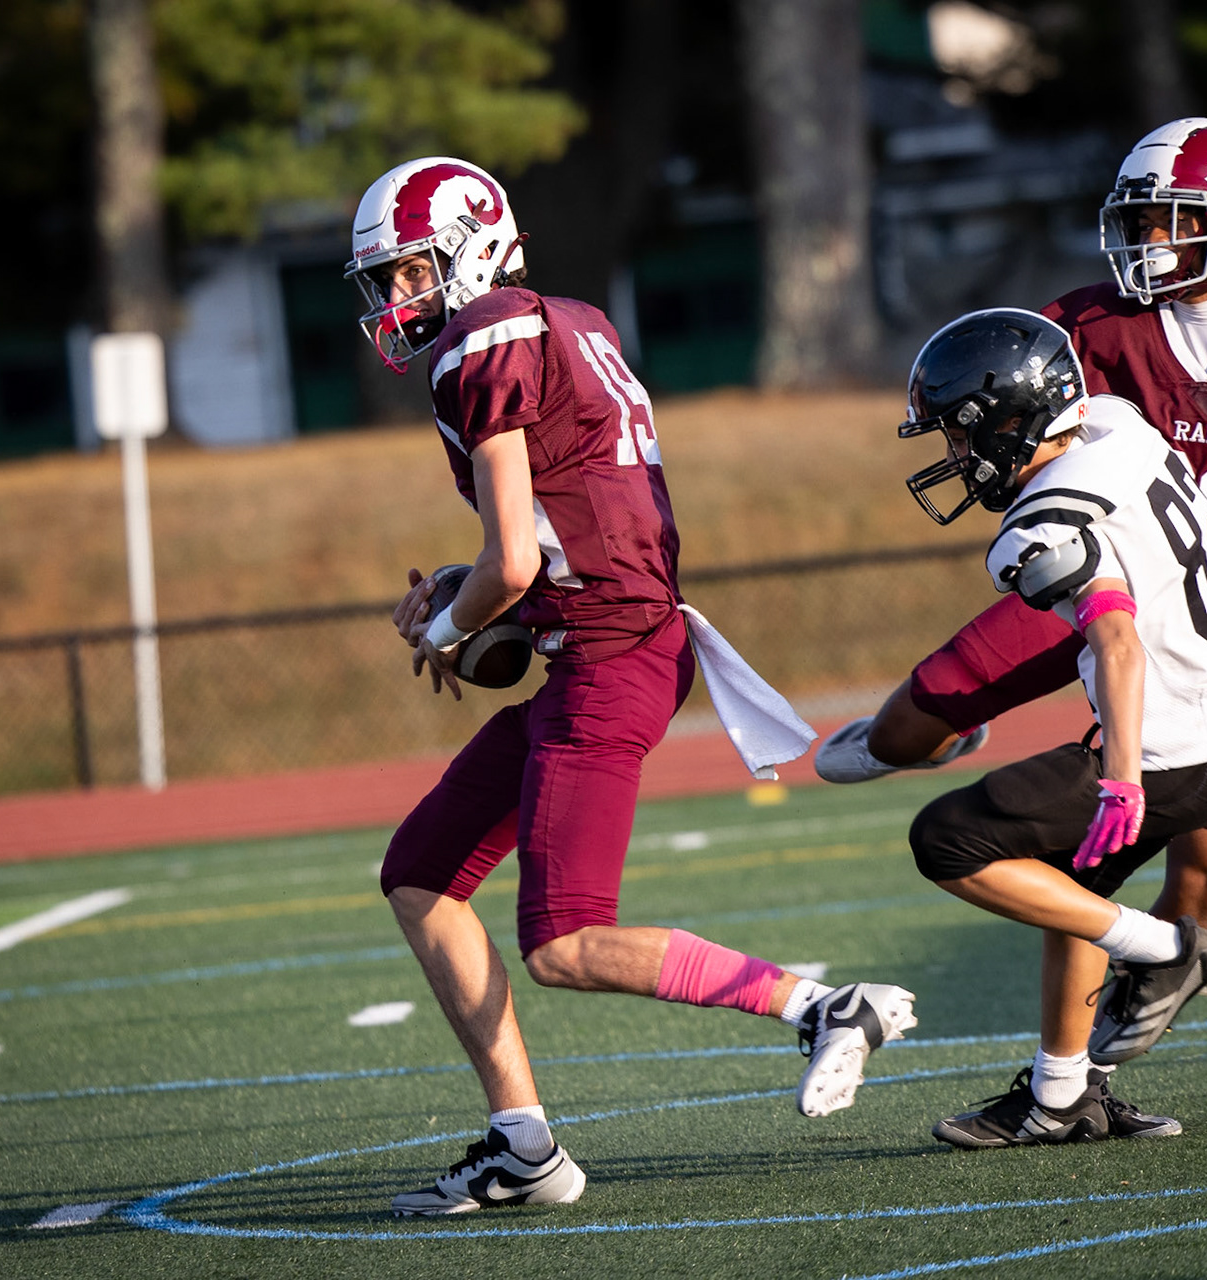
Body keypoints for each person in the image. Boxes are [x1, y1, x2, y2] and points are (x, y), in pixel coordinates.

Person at [347, 157, 917, 1216]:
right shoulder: (571, 320)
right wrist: (464, 601)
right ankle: (522, 1144)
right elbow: (561, 533)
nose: (398, 300)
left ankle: (823, 1005)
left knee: (564, 939)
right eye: (385, 280)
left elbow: (515, 560)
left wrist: (445, 623)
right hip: (600, 633)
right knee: (420, 869)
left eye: (413, 272)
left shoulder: (487, 340)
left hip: (603, 653)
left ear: (472, 249)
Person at [817, 119, 1207, 1080]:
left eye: (1172, 220)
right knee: (899, 732)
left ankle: (1139, 990)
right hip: (1088, 587)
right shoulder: (1095, 328)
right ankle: (930, 744)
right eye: (1141, 220)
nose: (1148, 241)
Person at [888, 307, 1207, 1148]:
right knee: (1070, 885)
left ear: (1010, 423)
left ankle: (1165, 948)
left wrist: (1122, 779)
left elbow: (1118, 641)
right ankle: (1063, 1096)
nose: (953, 458)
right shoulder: (1114, 422)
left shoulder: (1036, 530)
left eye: (958, 435)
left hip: (1171, 745)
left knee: (946, 840)